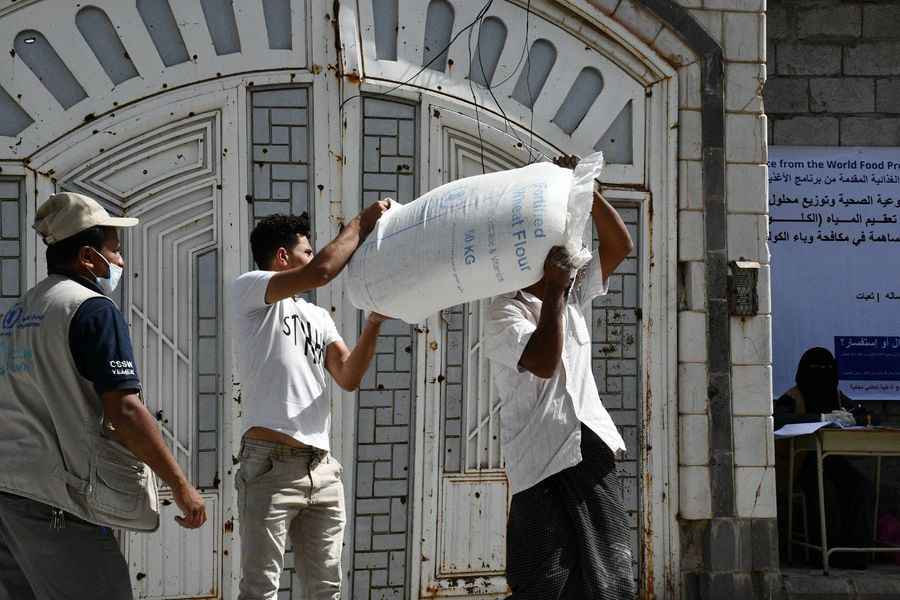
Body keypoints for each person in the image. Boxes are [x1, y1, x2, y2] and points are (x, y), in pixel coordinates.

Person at [0, 192, 207, 600]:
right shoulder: (91, 309)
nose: (121, 262)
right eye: (115, 250)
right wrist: (180, 485)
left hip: (10, 497)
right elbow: (125, 408)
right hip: (59, 501)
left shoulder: (22, 309)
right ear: (88, 257)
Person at [483, 155, 636, 599]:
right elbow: (545, 361)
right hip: (540, 462)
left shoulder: (571, 295)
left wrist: (584, 191)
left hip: (589, 448)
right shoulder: (504, 310)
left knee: (609, 577)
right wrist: (551, 290)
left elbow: (620, 245)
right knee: (542, 581)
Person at [230, 204, 388, 599]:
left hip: (322, 468)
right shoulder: (249, 288)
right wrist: (361, 224)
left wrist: (373, 323)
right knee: (260, 589)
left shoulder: (318, 316)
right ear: (283, 256)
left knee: (325, 589)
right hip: (269, 465)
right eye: (306, 250)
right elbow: (322, 270)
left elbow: (348, 376)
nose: (313, 258)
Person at [774, 346, 876, 569]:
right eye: (817, 369)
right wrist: (821, 417)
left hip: (831, 460)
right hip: (801, 462)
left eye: (827, 369)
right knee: (824, 492)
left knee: (863, 487)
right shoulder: (793, 395)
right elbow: (778, 420)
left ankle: (855, 555)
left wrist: (853, 420)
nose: (823, 375)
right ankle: (823, 555)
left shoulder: (836, 395)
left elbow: (870, 415)